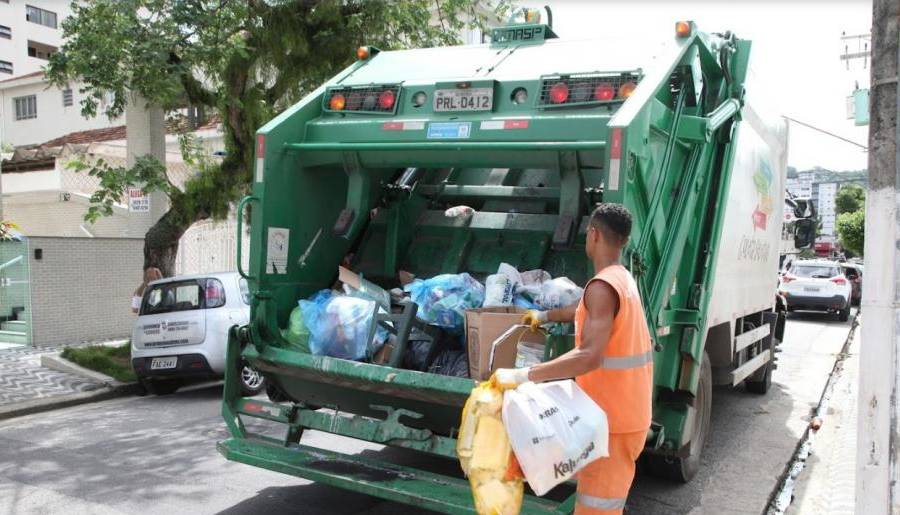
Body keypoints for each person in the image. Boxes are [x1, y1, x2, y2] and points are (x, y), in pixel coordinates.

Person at [494, 203, 653, 515]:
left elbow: (589, 357)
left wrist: (523, 375)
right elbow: (585, 309)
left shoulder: (602, 287)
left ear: (593, 234)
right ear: (624, 240)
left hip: (612, 422)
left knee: (597, 508)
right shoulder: (620, 278)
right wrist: (544, 315)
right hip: (623, 413)